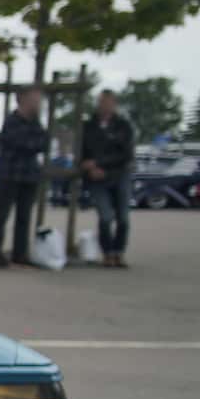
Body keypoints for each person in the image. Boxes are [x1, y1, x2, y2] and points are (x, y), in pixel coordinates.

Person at [0, 85, 48, 269]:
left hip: (29, 175)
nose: (37, 104)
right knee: (2, 216)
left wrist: (32, 143)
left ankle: (19, 253)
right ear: (22, 99)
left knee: (24, 217)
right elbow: (20, 143)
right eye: (34, 100)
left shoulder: (36, 123)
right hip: (10, 174)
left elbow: (42, 143)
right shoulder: (12, 121)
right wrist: (32, 143)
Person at [80, 89, 136, 268]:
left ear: (114, 104)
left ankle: (119, 252)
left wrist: (99, 163)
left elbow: (126, 154)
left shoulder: (123, 126)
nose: (104, 106)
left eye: (108, 102)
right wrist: (88, 167)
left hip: (119, 176)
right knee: (105, 216)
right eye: (101, 102)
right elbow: (82, 152)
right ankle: (107, 253)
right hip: (97, 179)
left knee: (123, 217)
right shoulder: (89, 126)